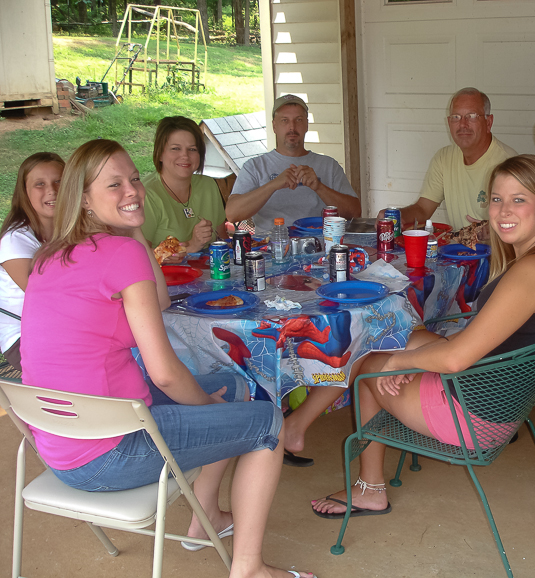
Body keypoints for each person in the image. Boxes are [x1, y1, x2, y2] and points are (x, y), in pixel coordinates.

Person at [21, 139, 313, 578]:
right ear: (82, 199)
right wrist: (208, 407)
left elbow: (156, 301)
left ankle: (207, 517)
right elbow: (165, 372)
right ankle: (249, 569)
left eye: (134, 179)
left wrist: (133, 228)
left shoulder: (50, 256)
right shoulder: (118, 255)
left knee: (235, 386)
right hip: (111, 451)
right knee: (266, 419)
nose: (133, 191)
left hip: (59, 443)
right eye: (114, 185)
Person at [312, 154, 535, 518]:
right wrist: (414, 358)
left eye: (519, 199)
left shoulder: (532, 271)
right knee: (400, 336)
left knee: (369, 368)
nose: (503, 211)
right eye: (496, 199)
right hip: (500, 395)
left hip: (473, 416)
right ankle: (340, 415)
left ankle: (370, 490)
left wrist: (400, 363)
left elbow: (456, 359)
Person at [377, 87, 518, 231]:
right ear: (449, 123)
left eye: (472, 116)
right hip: (457, 251)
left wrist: (494, 231)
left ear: (489, 122)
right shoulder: (444, 159)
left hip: (499, 253)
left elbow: (520, 222)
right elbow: (423, 209)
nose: (463, 124)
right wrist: (398, 216)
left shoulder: (509, 164)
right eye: (456, 117)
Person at [226, 94, 361, 231]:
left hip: (321, 245)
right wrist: (273, 185)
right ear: (274, 126)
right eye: (284, 120)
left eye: (299, 120)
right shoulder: (255, 166)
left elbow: (355, 213)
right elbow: (232, 214)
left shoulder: (329, 165)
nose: (292, 127)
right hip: (272, 247)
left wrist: (318, 186)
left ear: (307, 125)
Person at [0, 152, 64, 372]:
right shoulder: (15, 239)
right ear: (25, 193)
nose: (52, 190)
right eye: (40, 184)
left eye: (59, 181)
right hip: (24, 339)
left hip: (64, 326)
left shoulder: (69, 231)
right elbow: (47, 297)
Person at [141, 116, 228, 262]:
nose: (185, 156)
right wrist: (191, 246)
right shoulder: (146, 194)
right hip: (165, 281)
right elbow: (138, 255)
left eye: (192, 149)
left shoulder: (208, 186)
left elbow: (222, 239)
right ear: (160, 153)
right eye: (175, 148)